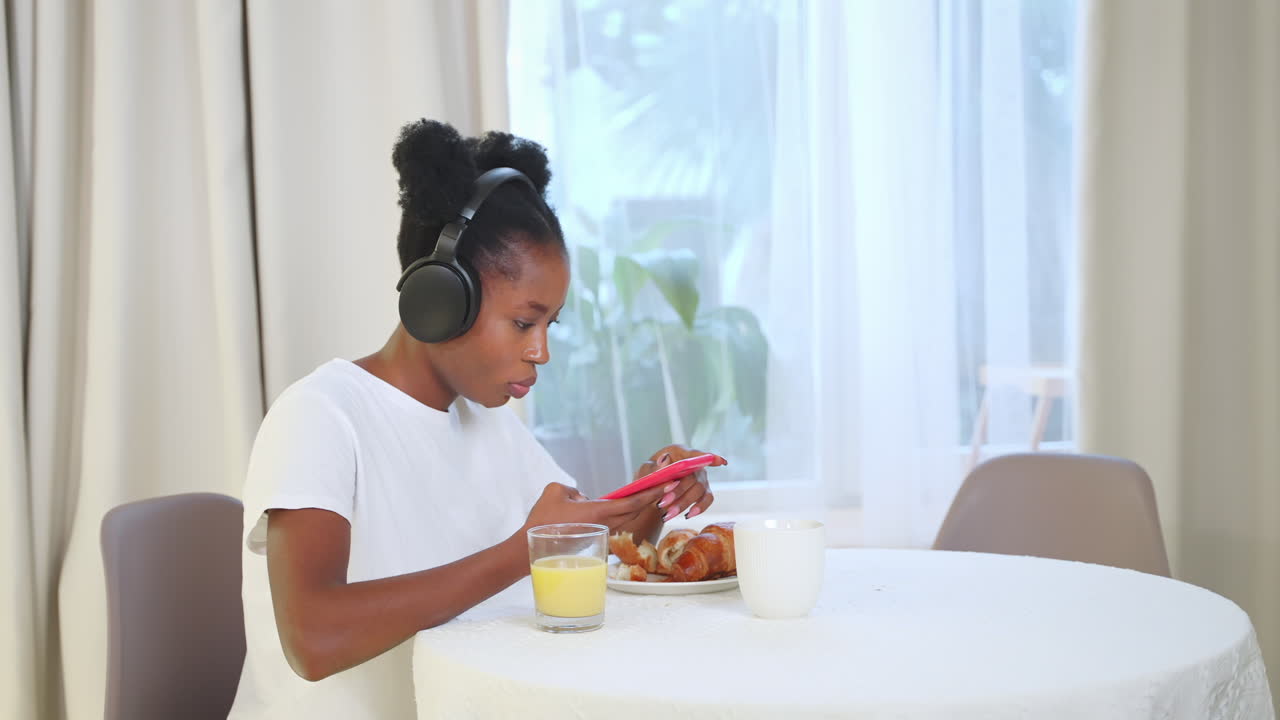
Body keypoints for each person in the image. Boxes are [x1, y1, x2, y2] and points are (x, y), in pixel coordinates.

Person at [227, 119, 726, 719]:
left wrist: (652, 495)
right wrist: (523, 549)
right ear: (441, 299)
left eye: (550, 325)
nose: (541, 351)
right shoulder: (321, 415)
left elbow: (576, 561)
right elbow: (313, 639)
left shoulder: (490, 424)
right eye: (523, 322)